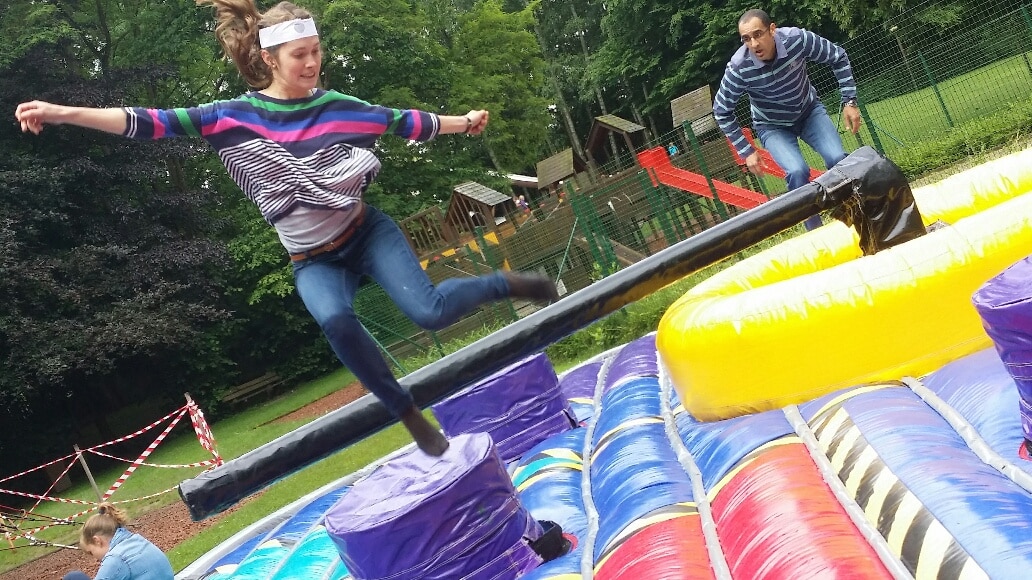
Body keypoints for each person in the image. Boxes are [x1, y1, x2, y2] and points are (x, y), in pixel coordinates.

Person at [14, 0, 559, 457]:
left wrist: (465, 122)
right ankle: (406, 411)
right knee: (335, 318)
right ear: (270, 58)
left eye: (316, 51)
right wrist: (62, 112)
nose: (312, 62)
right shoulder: (231, 115)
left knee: (430, 312)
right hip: (313, 259)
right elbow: (147, 122)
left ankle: (509, 283)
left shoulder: (339, 107)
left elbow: (403, 121)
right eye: (300, 54)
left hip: (367, 234)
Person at [713, 8, 862, 231]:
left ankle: (856, 214)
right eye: (746, 39)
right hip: (772, 126)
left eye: (758, 34)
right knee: (796, 171)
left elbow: (837, 56)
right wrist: (747, 151)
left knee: (837, 158)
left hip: (809, 111)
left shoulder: (797, 39)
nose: (754, 44)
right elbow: (721, 110)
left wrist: (849, 101)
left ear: (772, 29)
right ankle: (815, 233)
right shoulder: (739, 67)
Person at [63, 503, 173, 580]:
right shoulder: (137, 540)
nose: (95, 558)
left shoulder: (116, 558)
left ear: (97, 541)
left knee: (73, 577)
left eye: (91, 552)